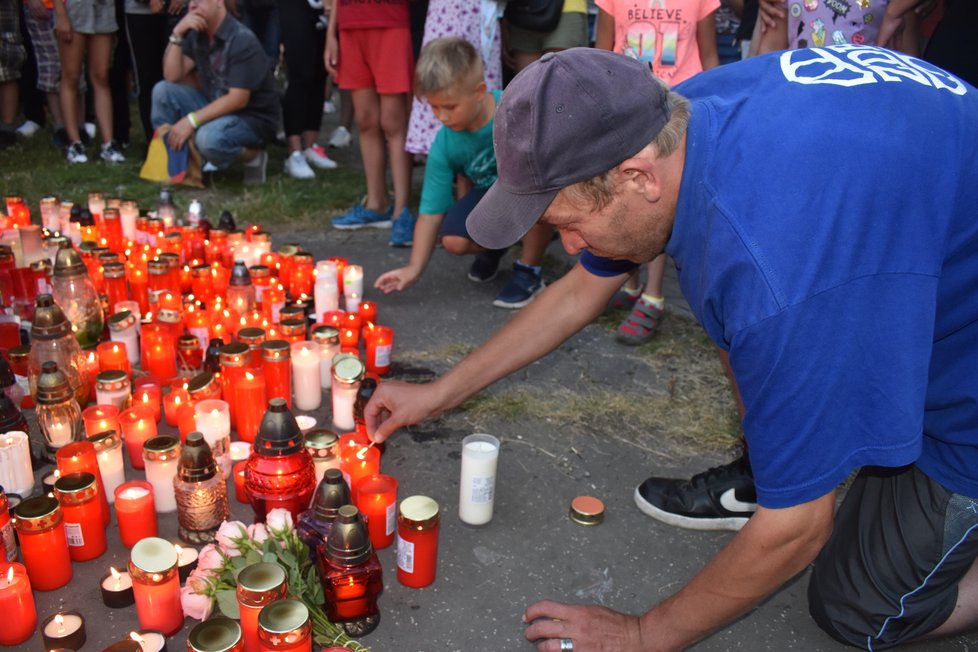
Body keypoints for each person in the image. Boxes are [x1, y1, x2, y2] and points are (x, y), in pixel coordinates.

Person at [365, 47, 978, 650]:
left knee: (860, 606)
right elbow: (582, 291)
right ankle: (777, 469)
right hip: (912, 257)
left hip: (958, 377)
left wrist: (641, 634)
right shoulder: (676, 117)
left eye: (570, 224)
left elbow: (798, 530)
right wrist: (436, 394)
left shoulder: (775, 270)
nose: (571, 246)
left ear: (637, 177)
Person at [375, 36, 542, 306]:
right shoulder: (444, 142)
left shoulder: (513, 113)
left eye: (449, 107)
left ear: (478, 92)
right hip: (492, 195)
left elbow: (548, 169)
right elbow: (430, 214)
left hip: (534, 189)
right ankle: (499, 244)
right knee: (453, 240)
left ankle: (529, 268)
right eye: (434, 107)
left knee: (538, 195)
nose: (441, 116)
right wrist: (413, 269)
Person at [594, 0, 719, 345]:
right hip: (625, 106)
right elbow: (601, 52)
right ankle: (631, 286)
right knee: (624, 192)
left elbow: (709, 56)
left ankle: (653, 297)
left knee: (658, 199)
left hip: (677, 110)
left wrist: (714, 108)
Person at [151, 0, 281, 184]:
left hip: (252, 118)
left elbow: (238, 99)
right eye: (190, 1)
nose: (193, 6)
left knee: (209, 139)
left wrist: (191, 121)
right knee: (162, 91)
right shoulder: (197, 33)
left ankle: (254, 157)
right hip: (217, 104)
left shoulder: (241, 38)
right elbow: (172, 75)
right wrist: (177, 34)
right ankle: (177, 165)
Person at [325, 0, 416, 246]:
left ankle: (401, 211)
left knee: (393, 121)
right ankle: (376, 204)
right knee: (365, 120)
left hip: (390, 20)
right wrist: (332, 33)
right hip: (351, 24)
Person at [51, 0, 126, 162]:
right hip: (73, 6)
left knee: (101, 76)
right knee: (71, 76)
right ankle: (74, 143)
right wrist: (61, 13)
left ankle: (108, 144)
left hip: (104, 6)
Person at [278, 0, 337, 179]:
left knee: (319, 74)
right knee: (300, 73)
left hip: (321, 8)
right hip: (295, 6)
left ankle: (311, 146)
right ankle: (294, 151)